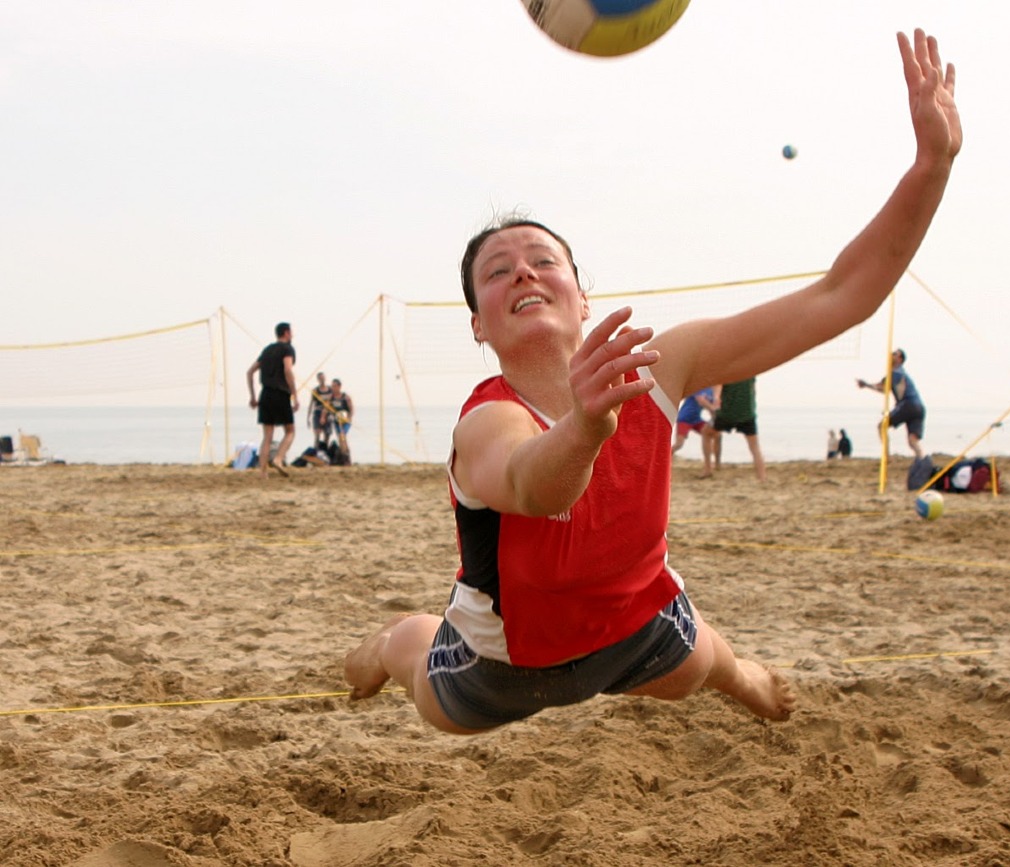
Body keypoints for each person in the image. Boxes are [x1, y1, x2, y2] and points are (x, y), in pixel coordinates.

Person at [344, 29, 961, 735]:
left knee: (706, 661)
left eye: (544, 260)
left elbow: (840, 296)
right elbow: (535, 487)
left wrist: (931, 167)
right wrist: (584, 426)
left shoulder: (661, 366)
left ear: (583, 297)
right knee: (415, 659)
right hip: (500, 671)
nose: (522, 271)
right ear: (479, 325)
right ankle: (381, 647)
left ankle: (747, 677)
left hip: (641, 632)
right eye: (496, 270)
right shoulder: (486, 418)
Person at [246, 322, 299, 477]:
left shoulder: (267, 350)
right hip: (280, 393)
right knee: (290, 431)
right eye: (291, 332)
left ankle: (263, 473)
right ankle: (278, 459)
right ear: (286, 333)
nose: (292, 335)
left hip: (265, 394)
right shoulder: (287, 349)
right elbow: (287, 369)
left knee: (267, 436)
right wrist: (294, 394)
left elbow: (250, 372)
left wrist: (253, 396)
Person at [856, 348, 926, 459]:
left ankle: (886, 457)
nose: (891, 355)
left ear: (900, 359)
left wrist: (866, 385)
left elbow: (883, 388)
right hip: (919, 407)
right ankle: (923, 460)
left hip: (908, 404)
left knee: (881, 426)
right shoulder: (900, 373)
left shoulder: (895, 372)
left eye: (894, 354)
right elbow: (886, 389)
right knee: (913, 440)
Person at [711, 377, 767, 483]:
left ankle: (711, 467)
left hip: (727, 413)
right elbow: (753, 391)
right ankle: (762, 476)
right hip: (747, 414)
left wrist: (716, 398)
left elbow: (718, 384)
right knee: (755, 447)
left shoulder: (728, 371)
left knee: (708, 433)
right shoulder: (750, 373)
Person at [672, 387, 719, 476]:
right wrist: (713, 408)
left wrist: (715, 416)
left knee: (713, 434)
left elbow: (711, 407)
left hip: (696, 419)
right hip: (684, 419)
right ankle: (666, 458)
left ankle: (712, 463)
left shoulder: (711, 390)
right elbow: (701, 400)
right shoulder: (699, 387)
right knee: (679, 444)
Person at [327, 378, 355, 462]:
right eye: (332, 386)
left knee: (342, 436)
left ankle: (345, 458)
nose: (333, 388)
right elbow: (326, 408)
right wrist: (323, 417)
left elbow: (351, 409)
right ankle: (347, 456)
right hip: (337, 421)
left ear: (339, 386)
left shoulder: (345, 397)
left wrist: (349, 418)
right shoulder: (331, 397)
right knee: (342, 439)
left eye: (334, 386)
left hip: (345, 421)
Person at [308, 372, 334, 449]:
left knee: (327, 434)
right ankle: (316, 451)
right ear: (318, 380)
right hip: (317, 413)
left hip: (328, 413)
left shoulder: (330, 389)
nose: (322, 379)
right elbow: (311, 404)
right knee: (317, 434)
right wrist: (308, 417)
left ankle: (325, 452)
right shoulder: (315, 390)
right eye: (320, 378)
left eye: (323, 378)